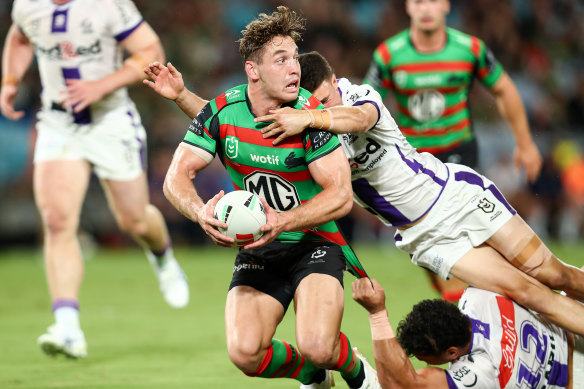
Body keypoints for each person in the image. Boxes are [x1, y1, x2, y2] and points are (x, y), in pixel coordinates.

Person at [246, 50, 584, 337]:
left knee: (551, 274)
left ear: (336, 82)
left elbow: (361, 120)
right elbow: (242, 125)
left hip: (457, 197)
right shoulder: (310, 136)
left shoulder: (359, 97)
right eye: (310, 105)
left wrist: (311, 116)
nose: (320, 110)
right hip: (426, 238)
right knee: (528, 293)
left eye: (325, 99)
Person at [151, 6, 378, 389]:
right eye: (281, 59)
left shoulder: (311, 116)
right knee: (244, 352)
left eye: (294, 58)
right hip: (259, 248)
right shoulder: (223, 111)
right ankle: (313, 377)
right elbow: (176, 177)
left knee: (318, 345)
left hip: (314, 242)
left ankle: (359, 373)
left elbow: (340, 196)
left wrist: (283, 221)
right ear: (253, 71)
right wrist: (199, 212)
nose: (295, 68)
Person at [0, 0, 189, 359]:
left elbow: (150, 51)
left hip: (109, 119)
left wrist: (101, 85)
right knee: (57, 223)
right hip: (58, 122)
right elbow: (20, 37)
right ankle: (68, 328)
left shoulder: (107, 5)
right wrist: (10, 79)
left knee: (133, 219)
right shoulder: (28, 4)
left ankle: (163, 258)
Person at [363, 0, 543, 301]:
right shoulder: (388, 55)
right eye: (419, 1)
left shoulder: (469, 49)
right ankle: (460, 302)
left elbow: (504, 88)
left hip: (458, 153)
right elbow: (367, 105)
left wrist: (525, 143)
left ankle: (476, 306)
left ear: (446, 5)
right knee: (424, 244)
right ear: (408, 7)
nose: (426, 8)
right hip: (412, 160)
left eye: (433, 0)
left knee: (457, 235)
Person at [352, 277, 584, 388]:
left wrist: (377, 313)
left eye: (425, 360)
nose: (423, 365)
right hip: (574, 326)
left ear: (452, 353)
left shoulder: (479, 373)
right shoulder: (481, 293)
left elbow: (403, 386)